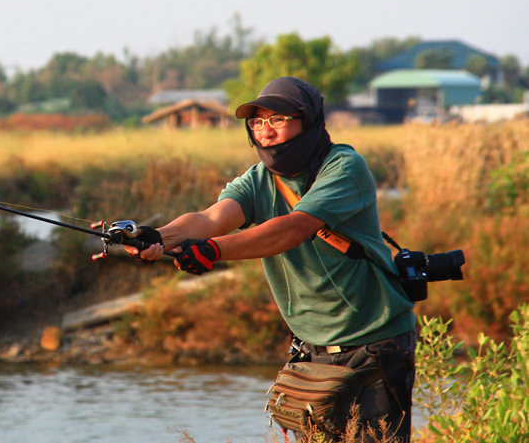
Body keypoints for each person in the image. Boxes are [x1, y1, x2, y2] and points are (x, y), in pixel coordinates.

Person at [126, 76, 417, 442]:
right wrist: (151, 236)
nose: (266, 131)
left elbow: (293, 228)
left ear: (308, 121)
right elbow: (210, 220)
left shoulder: (343, 166)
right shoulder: (258, 179)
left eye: (278, 119)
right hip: (311, 350)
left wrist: (214, 250)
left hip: (376, 342)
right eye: (257, 122)